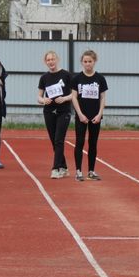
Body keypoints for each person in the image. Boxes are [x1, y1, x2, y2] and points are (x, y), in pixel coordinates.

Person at [71, 50, 108, 181]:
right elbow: (74, 97)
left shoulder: (100, 79)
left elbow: (103, 98)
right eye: (85, 61)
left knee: (93, 143)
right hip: (81, 116)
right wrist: (80, 114)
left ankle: (91, 171)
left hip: (95, 117)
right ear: (82, 62)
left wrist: (99, 114)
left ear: (94, 61)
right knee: (80, 142)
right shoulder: (77, 78)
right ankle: (78, 171)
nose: (87, 64)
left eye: (90, 61)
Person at [37, 51, 73, 179]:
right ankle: (64, 167)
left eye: (52, 59)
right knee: (54, 141)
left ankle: (56, 168)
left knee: (59, 139)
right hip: (49, 112)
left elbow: (75, 94)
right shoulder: (44, 77)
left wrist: (64, 98)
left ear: (57, 59)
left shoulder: (66, 75)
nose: (51, 62)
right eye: (48, 60)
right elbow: (39, 97)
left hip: (63, 111)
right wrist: (43, 100)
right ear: (45, 62)